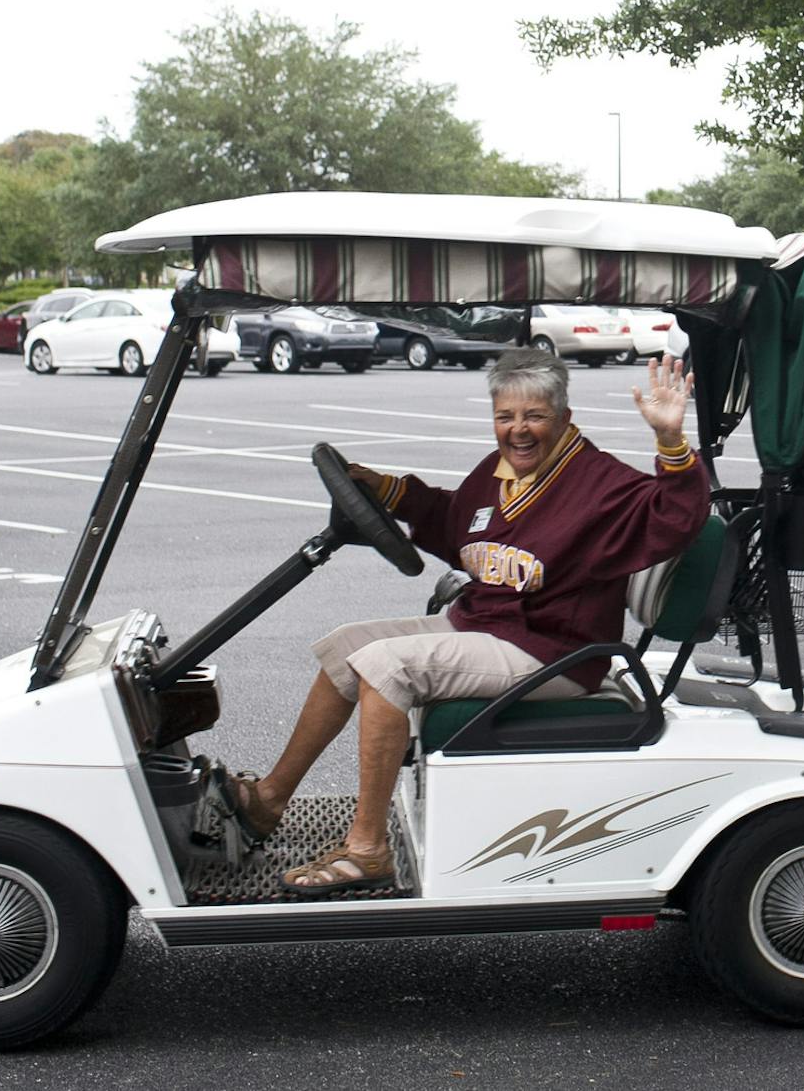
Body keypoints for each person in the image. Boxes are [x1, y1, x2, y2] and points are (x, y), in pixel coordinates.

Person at [218, 346, 709, 896]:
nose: (518, 430)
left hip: (553, 651)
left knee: (385, 666)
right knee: (343, 647)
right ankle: (268, 801)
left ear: (564, 418)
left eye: (534, 416)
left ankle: (367, 849)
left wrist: (670, 441)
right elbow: (455, 522)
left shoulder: (600, 483)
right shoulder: (500, 475)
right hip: (485, 626)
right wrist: (384, 490)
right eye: (506, 416)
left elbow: (676, 519)